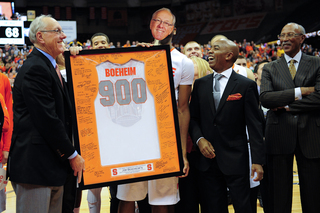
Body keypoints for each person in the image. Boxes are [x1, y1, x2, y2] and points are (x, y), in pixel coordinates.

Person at [117, 7, 193, 213]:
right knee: (127, 197)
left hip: (164, 139)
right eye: (157, 20)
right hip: (134, 136)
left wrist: (181, 152)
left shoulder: (184, 62)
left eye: (167, 23)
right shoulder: (134, 54)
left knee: (162, 199)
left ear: (174, 29)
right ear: (150, 24)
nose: (161, 25)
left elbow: (183, 108)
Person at [7, 15, 85, 213]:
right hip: (35, 170)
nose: (63, 36)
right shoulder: (36, 68)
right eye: (57, 31)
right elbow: (48, 119)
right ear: (40, 37)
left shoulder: (50, 66)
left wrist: (77, 62)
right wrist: (72, 154)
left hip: (50, 168)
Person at [189, 38, 264, 213]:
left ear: (229, 55)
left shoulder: (246, 85)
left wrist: (258, 161)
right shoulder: (200, 84)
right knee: (213, 208)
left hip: (236, 159)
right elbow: (192, 119)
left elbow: (255, 126)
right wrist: (199, 140)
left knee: (243, 208)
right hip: (207, 161)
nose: (209, 51)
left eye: (215, 48)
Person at [260, 22, 320, 213]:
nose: (284, 39)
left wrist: (285, 105)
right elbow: (266, 99)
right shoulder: (270, 67)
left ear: (302, 38)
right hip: (279, 134)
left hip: (311, 134)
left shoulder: (317, 62)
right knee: (279, 195)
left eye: (290, 35)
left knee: (314, 194)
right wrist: (301, 91)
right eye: (282, 35)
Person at [175, 56, 212, 213]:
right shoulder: (179, 100)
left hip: (207, 157)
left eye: (195, 77)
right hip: (185, 155)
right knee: (186, 204)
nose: (190, 81)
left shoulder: (209, 97)